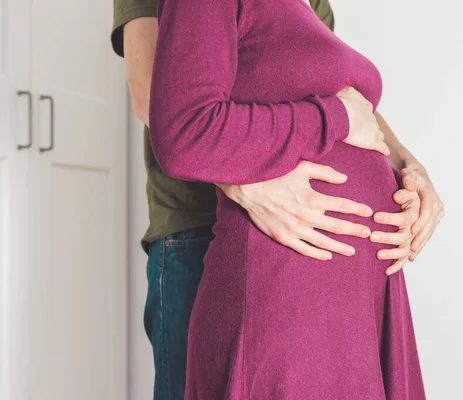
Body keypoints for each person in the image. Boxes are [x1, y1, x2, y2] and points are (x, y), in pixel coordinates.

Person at [111, 0, 444, 399]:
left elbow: (332, 93)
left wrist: (407, 166)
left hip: (346, 282)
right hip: (211, 231)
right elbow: (163, 102)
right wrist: (250, 183)